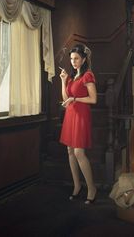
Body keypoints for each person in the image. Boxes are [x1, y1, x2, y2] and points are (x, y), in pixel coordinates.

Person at [59, 44, 97, 204]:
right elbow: (65, 96)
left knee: (79, 153)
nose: (73, 62)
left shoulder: (88, 75)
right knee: (70, 151)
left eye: (76, 59)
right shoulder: (72, 77)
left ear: (83, 59)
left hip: (81, 115)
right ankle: (77, 186)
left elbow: (93, 99)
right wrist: (63, 81)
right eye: (71, 59)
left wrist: (74, 99)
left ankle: (91, 188)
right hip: (70, 114)